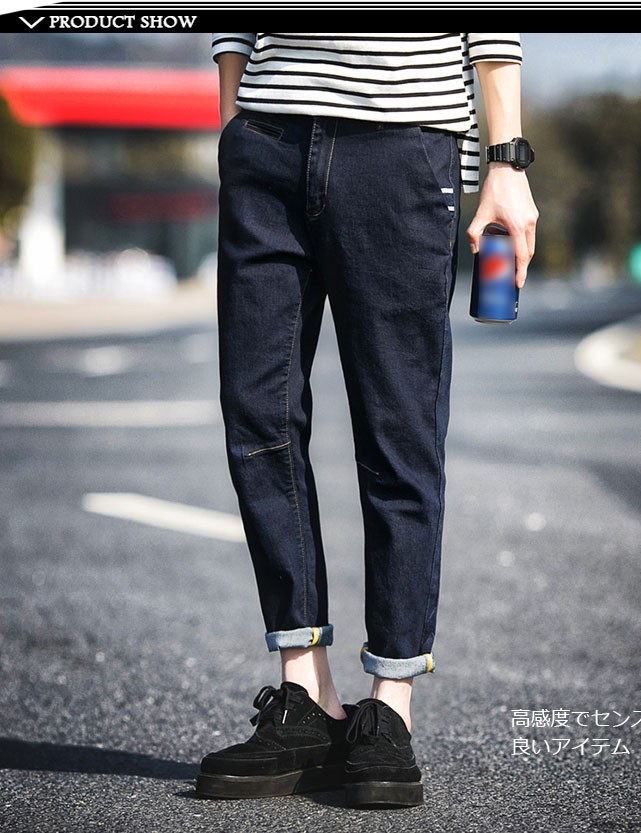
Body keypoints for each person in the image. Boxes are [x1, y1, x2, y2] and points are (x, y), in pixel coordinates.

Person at [196, 32, 538, 808]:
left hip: (403, 143)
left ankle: (391, 703)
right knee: (258, 418)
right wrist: (233, 126)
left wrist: (507, 159)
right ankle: (306, 693)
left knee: (399, 430)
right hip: (265, 141)